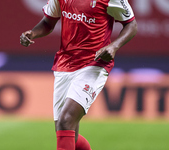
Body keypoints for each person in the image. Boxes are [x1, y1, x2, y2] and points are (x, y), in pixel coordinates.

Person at [20, 0, 137, 149]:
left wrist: (114, 46)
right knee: (68, 135)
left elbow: (132, 25)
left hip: (94, 64)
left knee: (66, 120)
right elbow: (48, 22)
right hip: (64, 64)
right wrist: (33, 33)